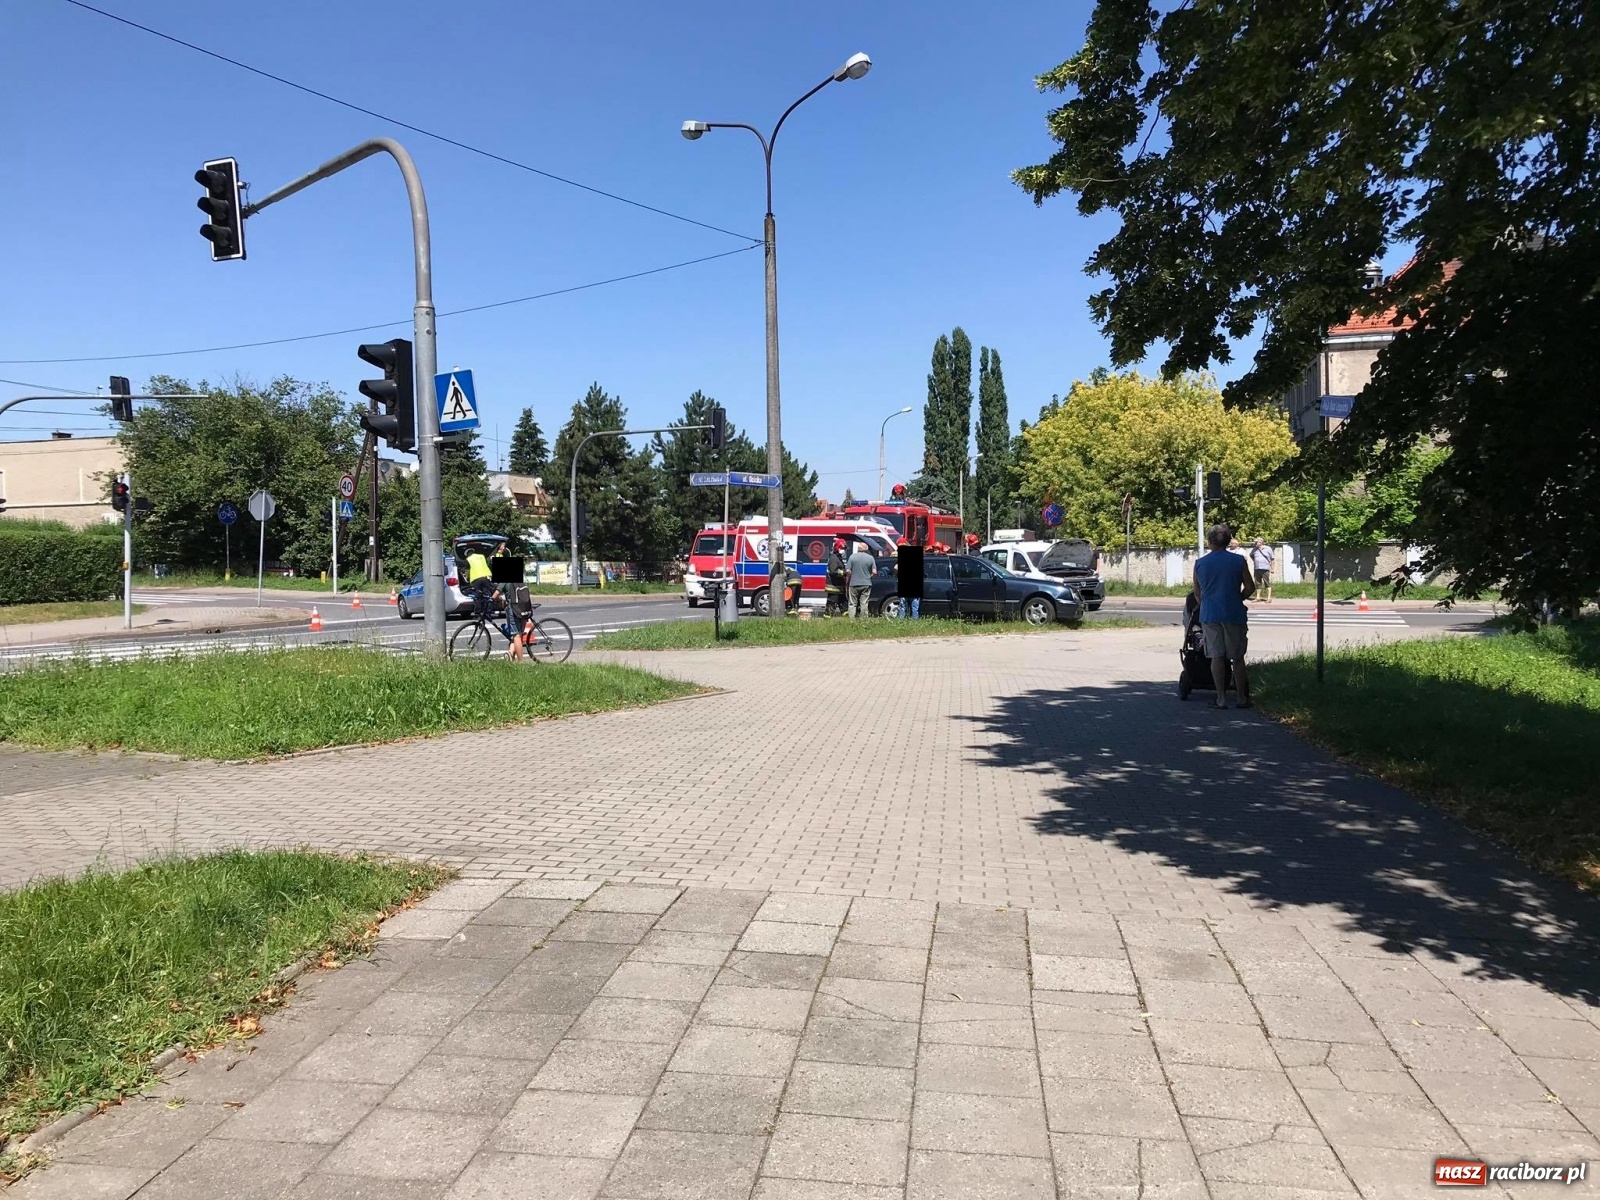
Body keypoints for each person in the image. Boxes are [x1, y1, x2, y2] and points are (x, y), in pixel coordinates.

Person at [1193, 523, 1255, 709]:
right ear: (1228, 541)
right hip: (1233, 613)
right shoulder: (1239, 561)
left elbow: (1197, 594)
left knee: (1216, 656)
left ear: (1209, 542)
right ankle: (1241, 698)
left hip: (1210, 614)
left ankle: (1220, 698)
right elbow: (1250, 587)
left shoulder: (1200, 563)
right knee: (1237, 657)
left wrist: (1206, 603)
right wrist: (1238, 598)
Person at [847, 540, 876, 619]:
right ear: (866, 549)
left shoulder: (852, 557)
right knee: (864, 603)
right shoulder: (870, 558)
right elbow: (874, 572)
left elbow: (848, 570)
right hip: (866, 583)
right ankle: (863, 619)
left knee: (852, 603)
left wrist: (850, 576)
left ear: (858, 549)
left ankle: (852, 620)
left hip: (854, 583)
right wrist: (869, 576)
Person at [464, 544, 494, 619]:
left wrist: (467, 578)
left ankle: (478, 614)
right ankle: (488, 614)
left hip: (476, 579)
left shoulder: (468, 559)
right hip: (486, 577)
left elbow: (467, 571)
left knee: (478, 596)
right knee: (487, 595)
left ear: (467, 554)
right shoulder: (482, 556)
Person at [825, 538, 848, 616]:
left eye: (844, 549)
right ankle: (826, 620)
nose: (843, 550)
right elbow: (833, 571)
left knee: (844, 605)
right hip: (834, 587)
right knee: (831, 606)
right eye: (842, 548)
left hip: (839, 587)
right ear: (837, 548)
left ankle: (847, 620)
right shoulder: (833, 558)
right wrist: (844, 572)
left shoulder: (838, 558)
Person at [1249, 537, 1275, 603]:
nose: (1255, 543)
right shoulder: (1254, 549)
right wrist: (1256, 561)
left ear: (1261, 542)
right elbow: (1251, 555)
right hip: (1257, 568)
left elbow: (1272, 559)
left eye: (1256, 542)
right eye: (1255, 542)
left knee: (1267, 583)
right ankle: (1258, 597)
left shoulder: (1268, 548)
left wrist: (1272, 568)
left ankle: (1269, 598)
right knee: (1257, 583)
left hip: (1265, 568)